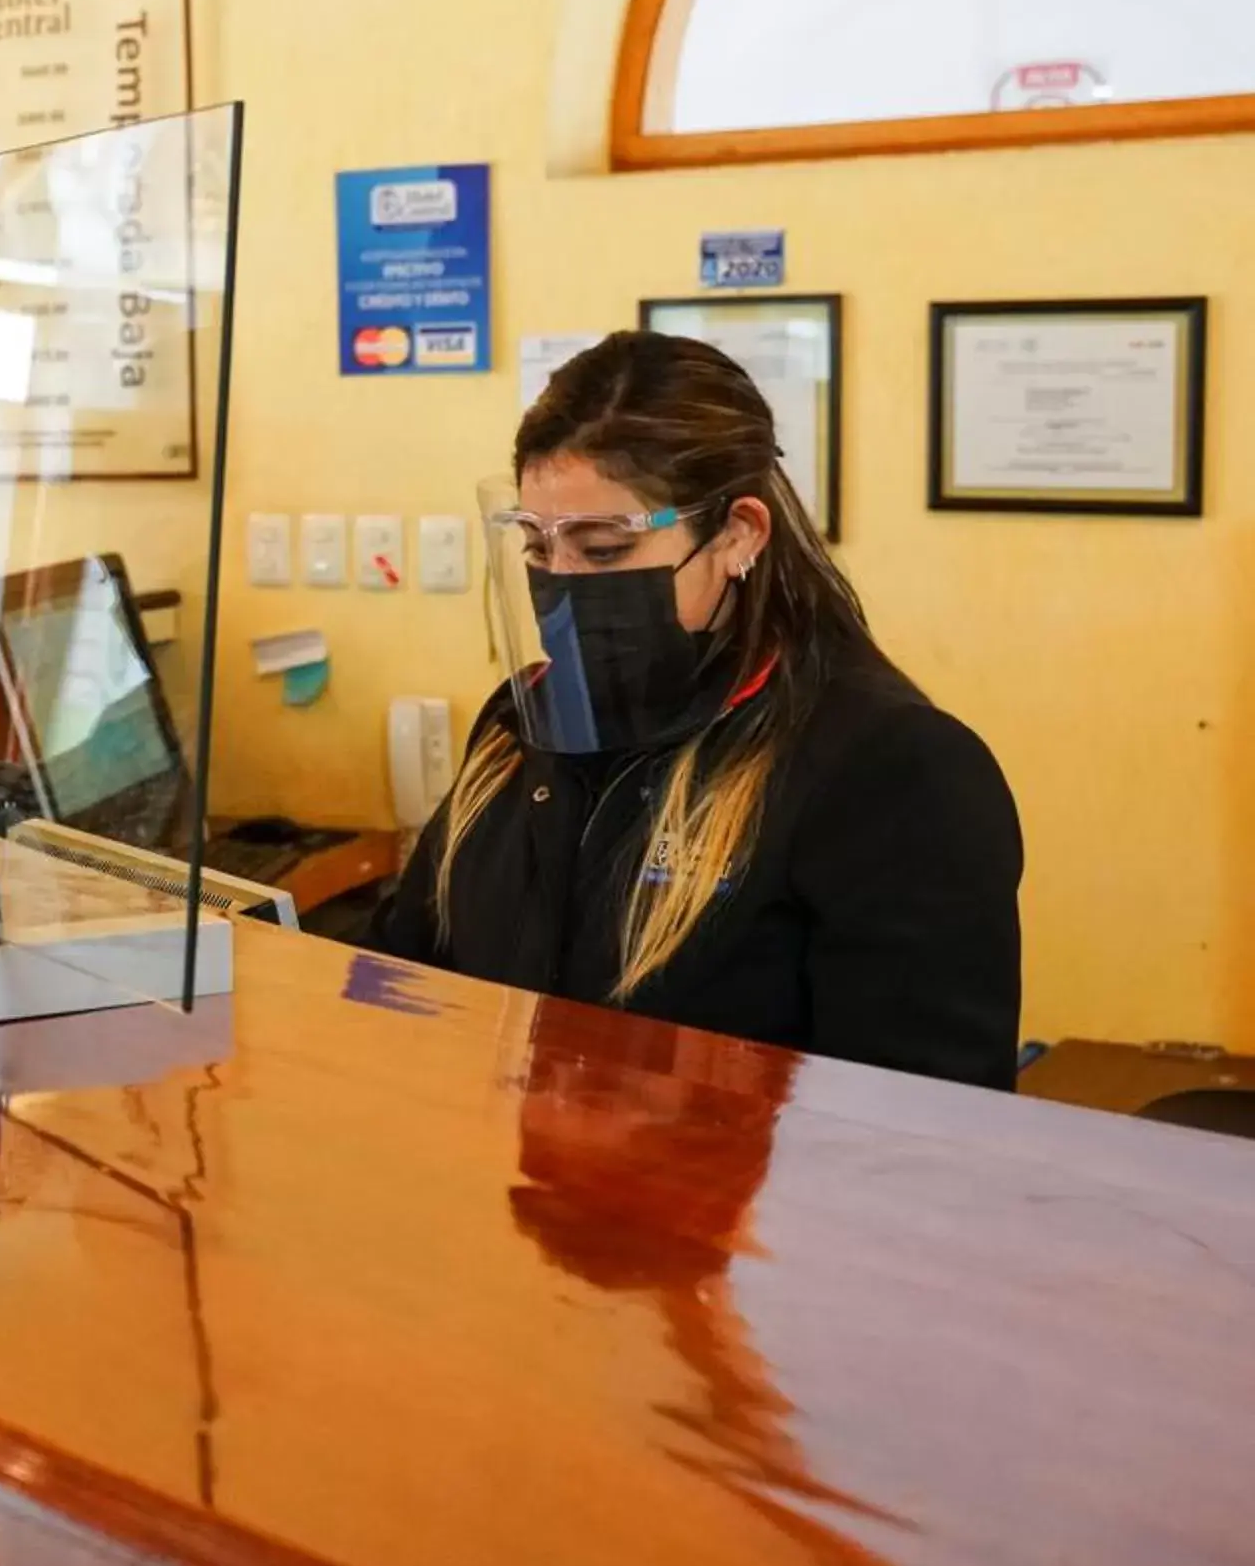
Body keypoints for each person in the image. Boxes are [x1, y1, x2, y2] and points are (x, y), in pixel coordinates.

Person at [371, 330, 1021, 1087]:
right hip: (512, 1186)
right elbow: (397, 968)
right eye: (539, 551)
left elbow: (923, 1129)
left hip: (737, 1202)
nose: (563, 583)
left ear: (738, 534)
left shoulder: (891, 770)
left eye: (604, 549)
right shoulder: (522, 727)